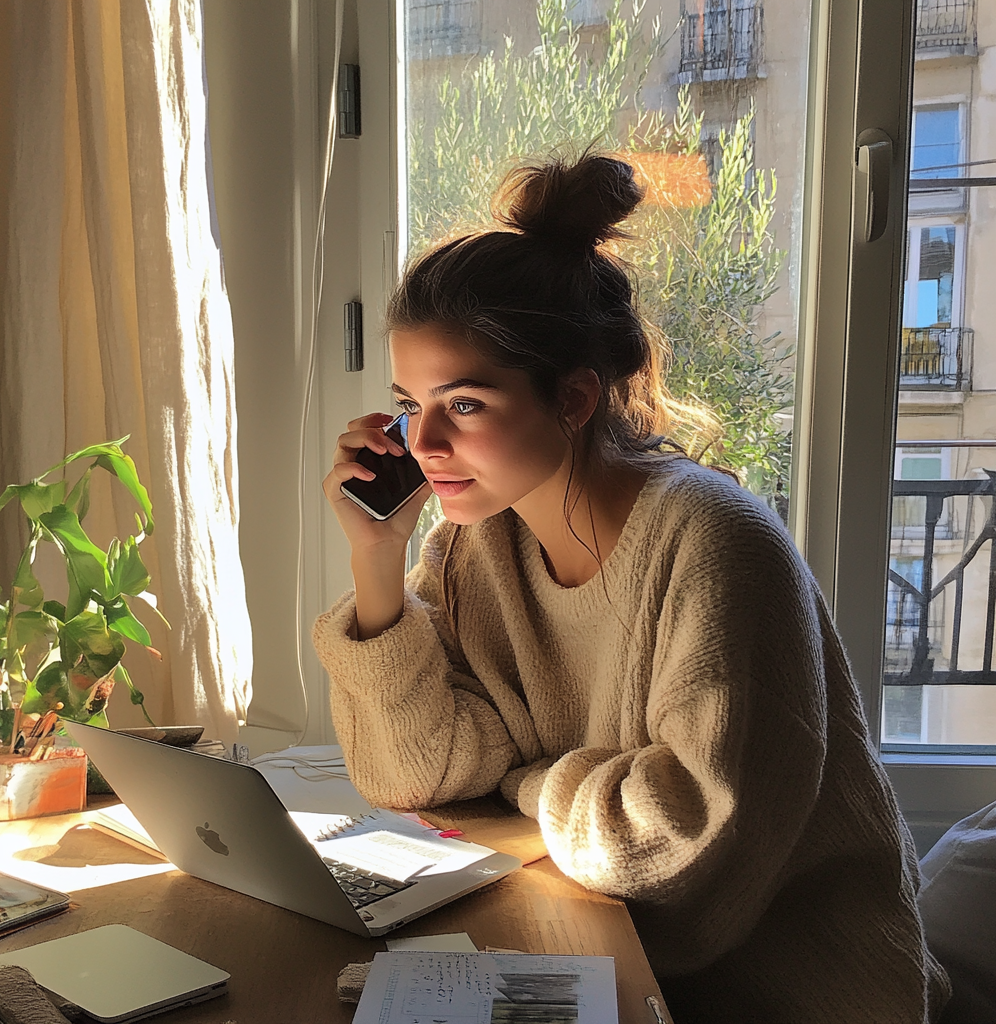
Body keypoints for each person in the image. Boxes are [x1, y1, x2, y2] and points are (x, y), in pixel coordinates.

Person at [314, 154, 949, 1023]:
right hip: (610, 955)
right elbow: (421, 772)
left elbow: (687, 832)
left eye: (462, 405)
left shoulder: (715, 541)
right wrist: (377, 559)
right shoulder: (476, 549)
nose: (421, 443)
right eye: (407, 403)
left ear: (574, 398)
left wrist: (529, 783)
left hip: (781, 990)